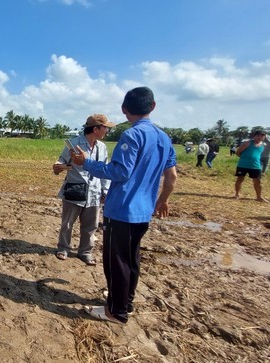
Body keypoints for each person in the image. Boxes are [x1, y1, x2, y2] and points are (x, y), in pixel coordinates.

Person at [71, 86, 177, 324]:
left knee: (116, 261)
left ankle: (116, 312)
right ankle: (125, 302)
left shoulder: (132, 135)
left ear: (124, 110)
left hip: (122, 210)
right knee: (131, 258)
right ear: (153, 106)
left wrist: (86, 163)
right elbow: (172, 177)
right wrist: (163, 200)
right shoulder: (164, 138)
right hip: (144, 211)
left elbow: (120, 171)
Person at [52, 114, 113, 266]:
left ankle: (85, 251)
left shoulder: (102, 147)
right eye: (105, 128)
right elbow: (61, 161)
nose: (107, 131)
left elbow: (105, 171)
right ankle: (63, 248)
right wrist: (58, 166)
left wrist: (105, 190)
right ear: (96, 129)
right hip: (75, 188)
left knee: (91, 225)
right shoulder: (73, 144)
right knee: (67, 223)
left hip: (94, 191)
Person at [234, 130, 269, 202]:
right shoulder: (247, 143)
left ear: (264, 137)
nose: (260, 137)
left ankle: (259, 197)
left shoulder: (263, 145)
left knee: (257, 181)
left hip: (256, 166)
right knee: (240, 179)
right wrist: (244, 159)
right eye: (258, 135)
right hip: (243, 165)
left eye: (262, 136)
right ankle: (237, 194)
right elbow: (238, 152)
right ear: (254, 136)